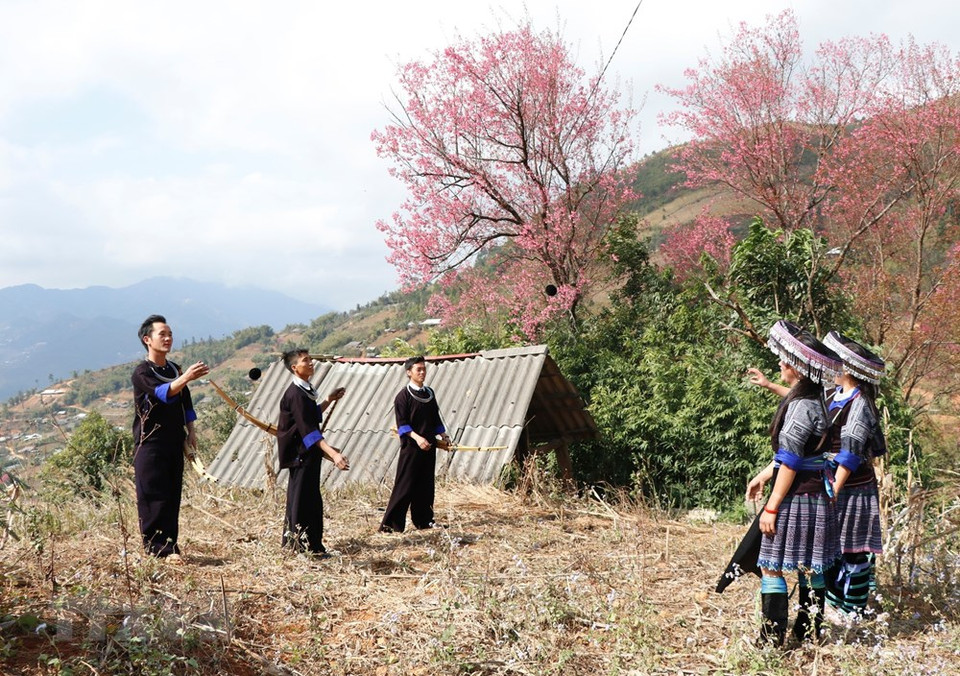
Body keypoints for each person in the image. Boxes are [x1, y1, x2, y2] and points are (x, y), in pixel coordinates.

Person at [745, 320, 843, 647]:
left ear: (798, 367)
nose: (780, 362)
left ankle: (771, 641)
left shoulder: (801, 407)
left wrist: (771, 507)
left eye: (784, 359)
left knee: (771, 567)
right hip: (818, 496)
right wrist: (763, 475)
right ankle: (809, 633)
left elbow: (790, 461)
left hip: (797, 498)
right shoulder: (821, 400)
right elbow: (797, 453)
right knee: (811, 567)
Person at [132, 314, 209, 562]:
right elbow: (163, 393)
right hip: (151, 442)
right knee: (153, 495)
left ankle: (170, 547)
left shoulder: (173, 368)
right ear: (147, 339)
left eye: (170, 334)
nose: (168, 338)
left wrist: (192, 432)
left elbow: (185, 402)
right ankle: (155, 549)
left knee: (171, 495)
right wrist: (186, 377)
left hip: (174, 440)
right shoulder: (142, 372)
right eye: (162, 334)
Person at [821, 330, 886, 623]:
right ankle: (836, 604)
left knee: (854, 549)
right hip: (834, 481)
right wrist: (770, 385)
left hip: (853, 487)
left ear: (846, 369)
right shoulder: (835, 393)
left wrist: (835, 487)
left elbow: (850, 453)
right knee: (834, 547)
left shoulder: (860, 404)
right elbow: (810, 406)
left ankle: (855, 610)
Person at [277, 349, 349, 557]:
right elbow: (309, 431)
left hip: (307, 453)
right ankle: (298, 547)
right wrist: (334, 454)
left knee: (309, 499)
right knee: (300, 500)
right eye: (305, 361)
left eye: (310, 359)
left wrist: (328, 399)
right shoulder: (296, 394)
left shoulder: (304, 390)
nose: (310, 363)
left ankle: (311, 545)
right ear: (294, 368)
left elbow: (311, 415)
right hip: (300, 454)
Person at [379, 356, 451, 533]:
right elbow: (402, 424)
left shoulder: (429, 393)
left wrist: (442, 434)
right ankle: (391, 525)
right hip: (411, 448)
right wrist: (418, 438)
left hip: (429, 446)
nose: (422, 372)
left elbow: (435, 417)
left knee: (426, 485)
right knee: (405, 485)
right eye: (418, 369)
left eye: (424, 369)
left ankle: (424, 521)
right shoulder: (403, 396)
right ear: (409, 372)